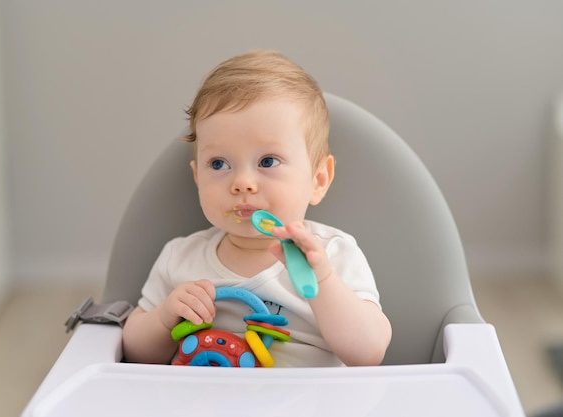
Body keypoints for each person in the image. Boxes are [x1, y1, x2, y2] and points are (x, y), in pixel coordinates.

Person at [122, 49, 391, 367]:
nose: (242, 183)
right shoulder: (180, 258)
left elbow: (369, 354)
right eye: (219, 163)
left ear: (318, 180)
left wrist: (323, 282)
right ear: (197, 178)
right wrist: (165, 318)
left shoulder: (332, 254)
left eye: (267, 161)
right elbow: (135, 354)